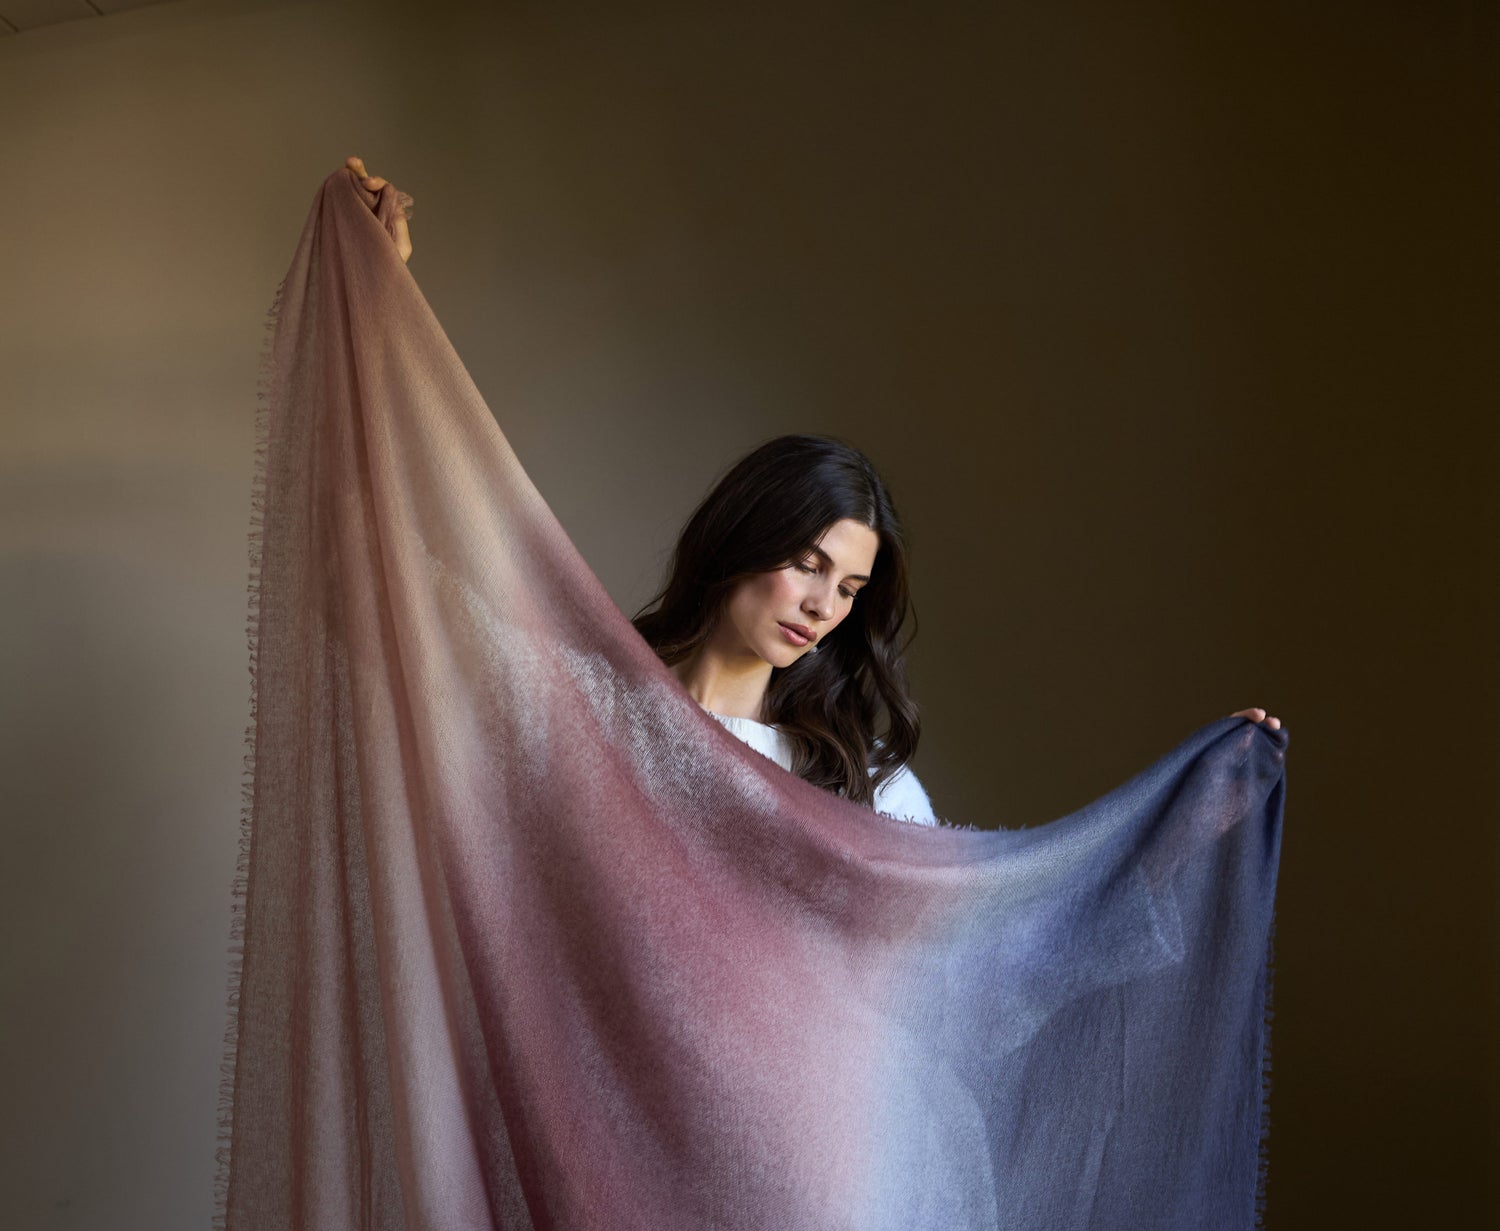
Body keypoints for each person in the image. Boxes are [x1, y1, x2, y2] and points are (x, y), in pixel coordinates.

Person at [343, 156, 1283, 817]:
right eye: (807, 564)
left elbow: (991, 939)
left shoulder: (851, 779)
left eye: (851, 588)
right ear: (743, 538)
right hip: (576, 1100)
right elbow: (396, 572)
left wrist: (1174, 827)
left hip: (790, 1108)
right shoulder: (589, 705)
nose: (825, 608)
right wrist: (380, 310)